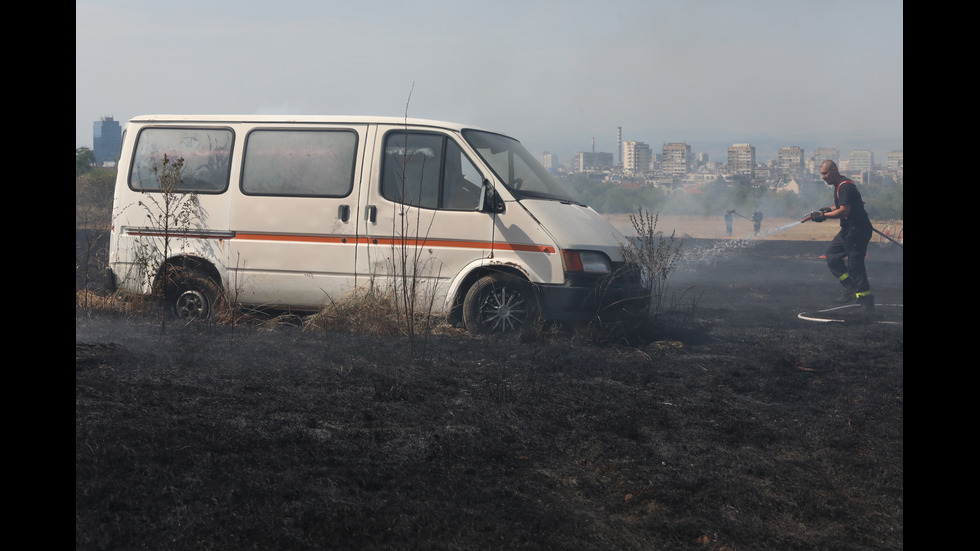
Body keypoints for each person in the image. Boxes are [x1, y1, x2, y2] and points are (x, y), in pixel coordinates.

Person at [808, 160, 874, 311]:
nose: (823, 177)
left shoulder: (845, 186)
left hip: (858, 231)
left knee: (855, 266)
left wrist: (824, 215)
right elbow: (842, 205)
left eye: (825, 173)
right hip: (848, 230)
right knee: (831, 255)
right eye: (821, 174)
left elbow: (845, 211)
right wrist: (828, 209)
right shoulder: (839, 186)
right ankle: (849, 286)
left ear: (834, 170)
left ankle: (867, 303)